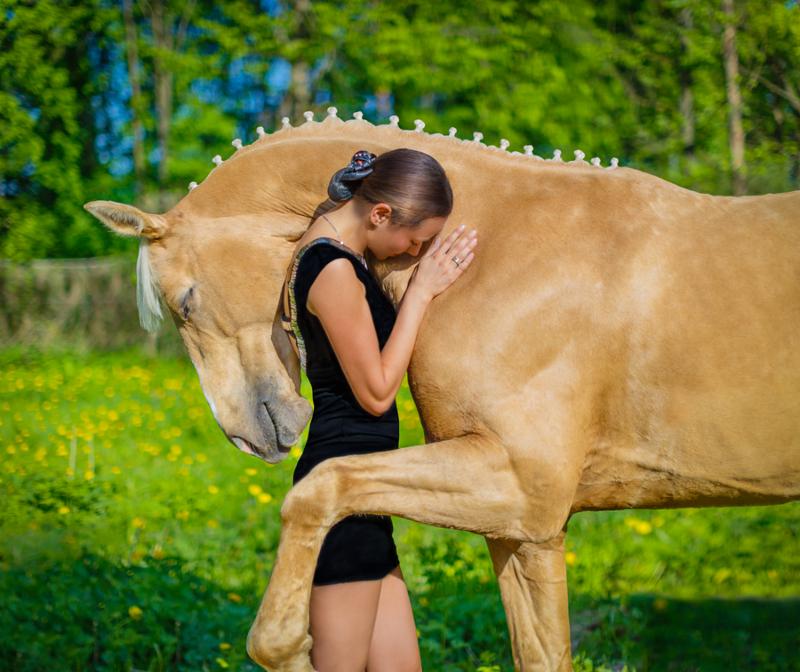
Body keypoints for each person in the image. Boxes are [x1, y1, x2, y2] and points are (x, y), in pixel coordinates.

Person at [280, 147, 478, 671]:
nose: (416, 251)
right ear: (380, 213)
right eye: (414, 239)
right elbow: (375, 392)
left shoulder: (334, 249)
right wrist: (420, 293)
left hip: (367, 489)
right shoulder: (332, 270)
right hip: (341, 491)